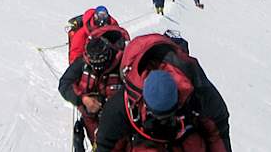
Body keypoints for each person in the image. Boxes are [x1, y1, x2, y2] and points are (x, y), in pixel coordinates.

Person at [93, 33, 231, 151]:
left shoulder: (199, 92)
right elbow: (106, 143)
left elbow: (217, 131)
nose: (163, 120)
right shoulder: (121, 107)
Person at [60, 27, 132, 151]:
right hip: (91, 123)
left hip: (118, 130)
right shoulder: (83, 62)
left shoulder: (124, 64)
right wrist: (83, 99)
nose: (96, 68)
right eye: (93, 64)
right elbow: (64, 84)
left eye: (100, 64)